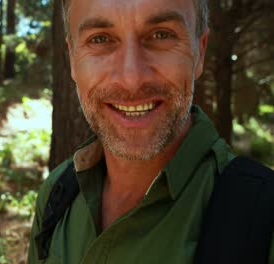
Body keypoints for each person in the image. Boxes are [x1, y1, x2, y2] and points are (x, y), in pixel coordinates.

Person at [28, 0, 274, 263]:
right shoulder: (56, 194)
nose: (131, 78)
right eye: (100, 39)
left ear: (199, 52)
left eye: (161, 35)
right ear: (72, 59)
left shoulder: (264, 217)